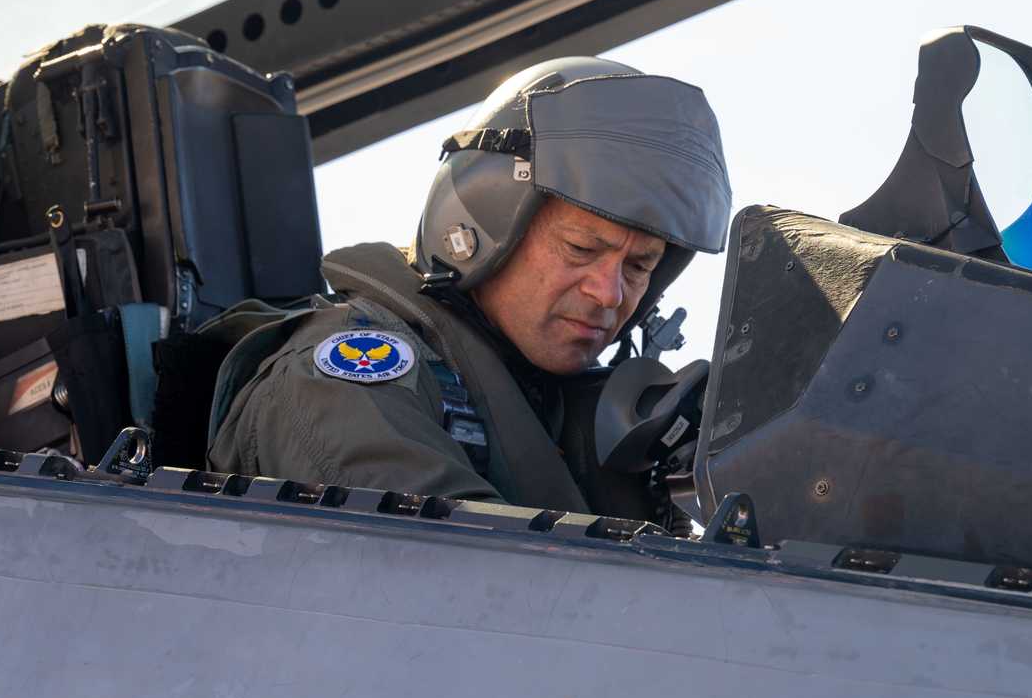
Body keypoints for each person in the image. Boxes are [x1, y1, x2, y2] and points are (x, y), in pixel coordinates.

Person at [205, 56, 732, 519]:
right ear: (482, 228)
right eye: (580, 249)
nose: (610, 293)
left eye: (638, 266)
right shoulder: (344, 381)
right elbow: (473, 593)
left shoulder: (556, 418)